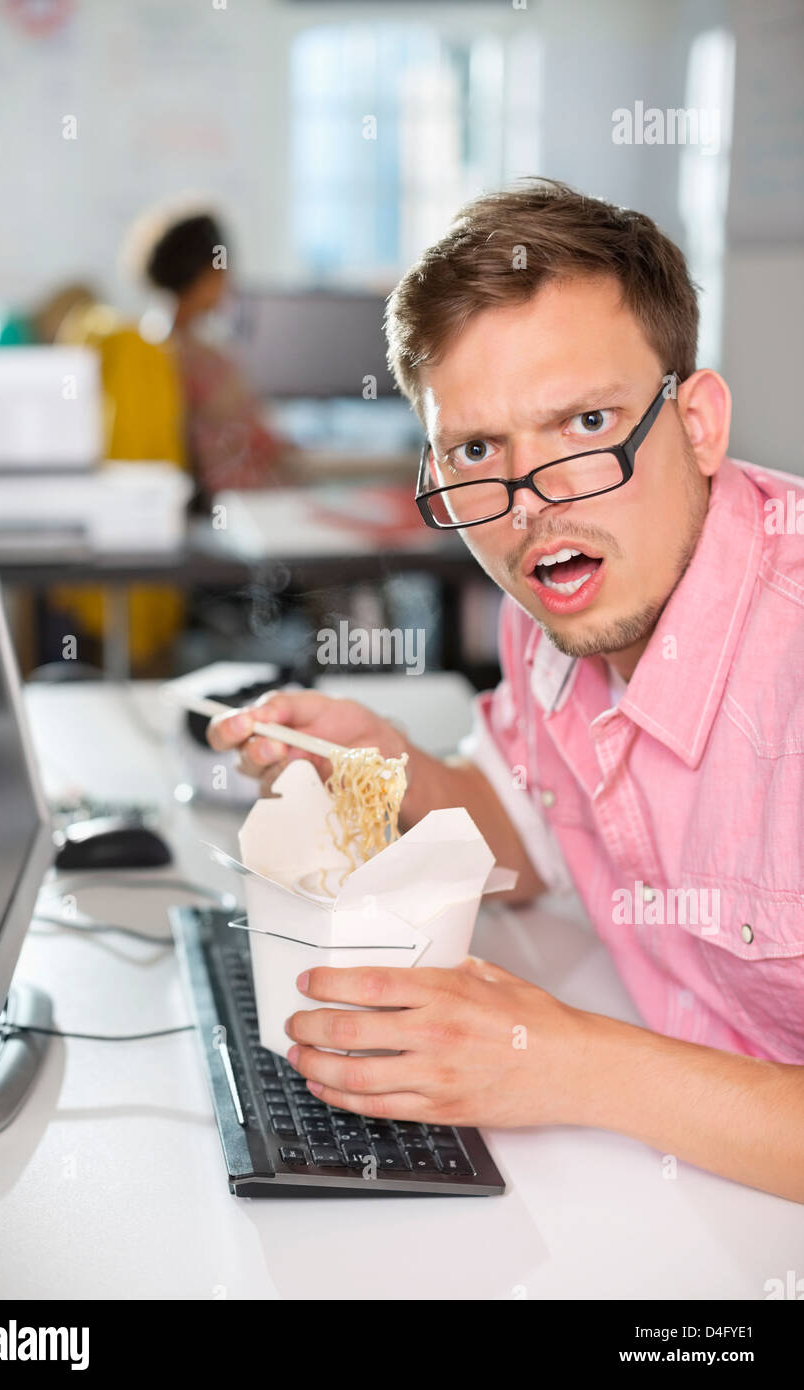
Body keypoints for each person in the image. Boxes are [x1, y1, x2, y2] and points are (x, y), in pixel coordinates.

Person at [206, 178, 804, 1204]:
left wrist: (564, 1061)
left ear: (697, 422)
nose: (529, 502)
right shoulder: (555, 621)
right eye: (478, 450)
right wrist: (377, 763)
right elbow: (530, 836)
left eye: (583, 422)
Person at [142, 210, 295, 501]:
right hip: (241, 505)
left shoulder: (148, 344)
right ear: (208, 275)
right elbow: (266, 445)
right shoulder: (205, 361)